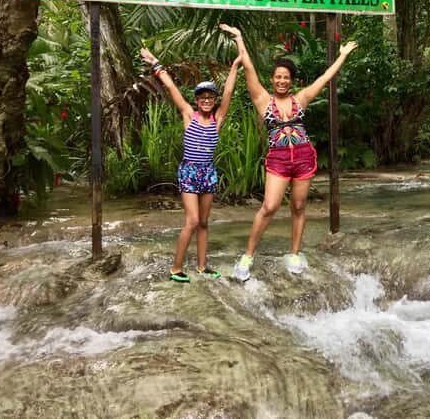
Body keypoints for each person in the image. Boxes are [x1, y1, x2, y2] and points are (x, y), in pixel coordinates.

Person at [219, 23, 358, 280]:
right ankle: (247, 256)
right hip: (279, 160)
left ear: (291, 81)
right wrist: (239, 38)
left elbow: (325, 78)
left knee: (298, 206)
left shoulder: (301, 99)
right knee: (270, 206)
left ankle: (294, 253)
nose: (282, 80)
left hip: (304, 158)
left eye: (286, 77)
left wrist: (342, 55)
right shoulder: (262, 99)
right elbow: (248, 67)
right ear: (272, 79)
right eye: (278, 76)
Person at [140, 46, 242, 283]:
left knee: (204, 222)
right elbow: (171, 87)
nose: (207, 100)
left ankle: (202, 266)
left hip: (208, 173)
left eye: (210, 97)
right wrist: (155, 62)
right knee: (193, 221)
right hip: (189, 171)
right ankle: (176, 268)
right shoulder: (188, 114)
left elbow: (228, 91)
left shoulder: (218, 119)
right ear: (197, 100)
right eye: (202, 97)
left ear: (214, 101)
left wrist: (235, 67)